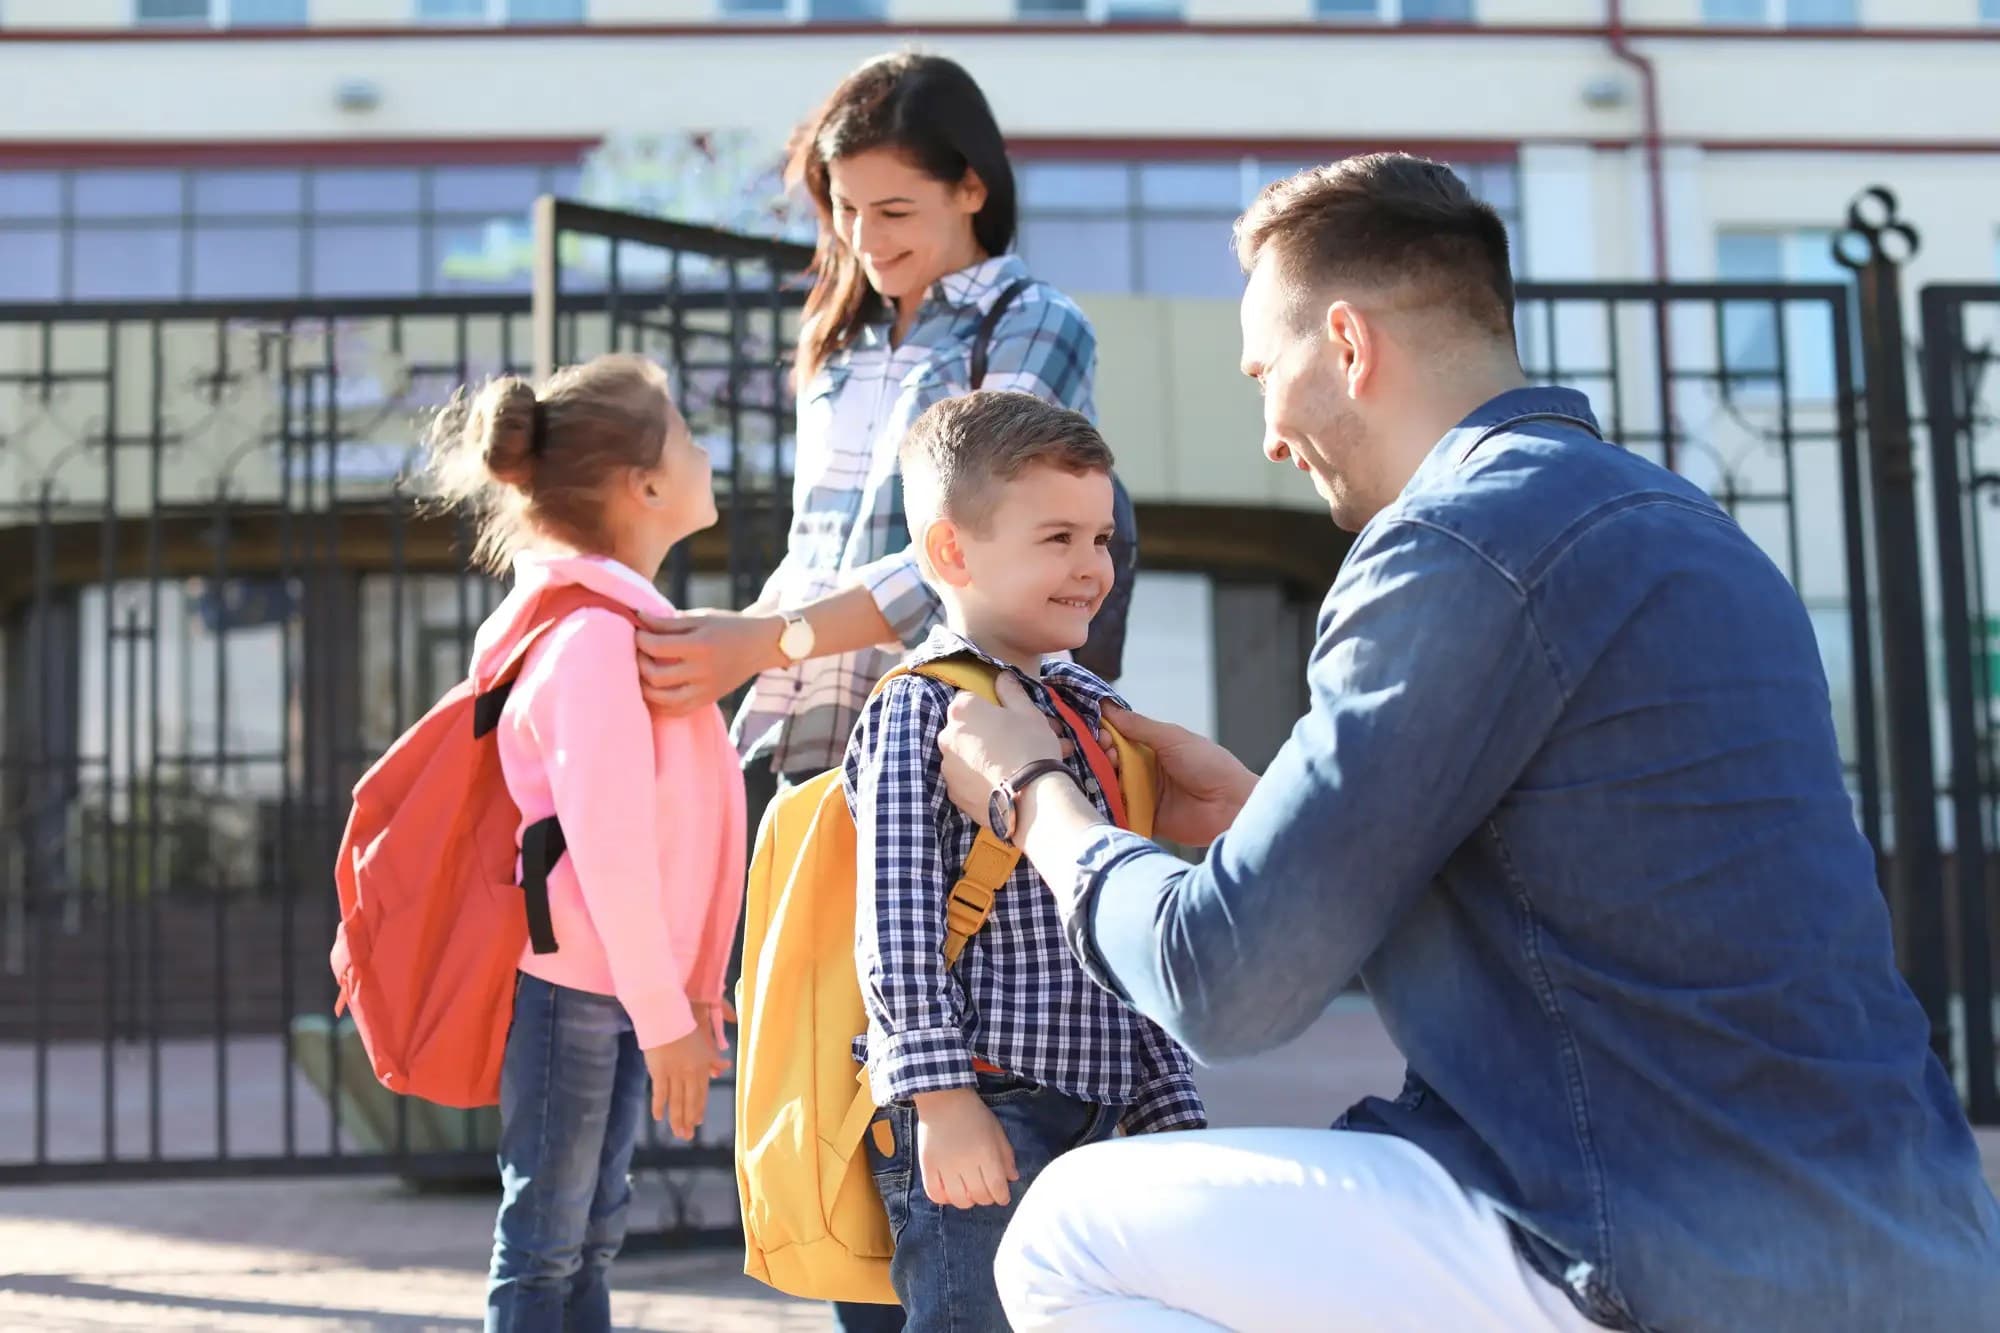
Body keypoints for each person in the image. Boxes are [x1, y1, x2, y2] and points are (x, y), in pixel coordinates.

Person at [929, 154, 2000, 1331]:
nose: (1270, 436)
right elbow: (1619, 865)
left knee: (1068, 1233)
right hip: (1917, 1245)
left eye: (1262, 374)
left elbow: (1223, 982)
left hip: (1640, 1239)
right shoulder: (1693, 531)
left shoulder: (1451, 538)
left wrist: (1035, 799)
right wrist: (1263, 812)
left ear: (1346, 343)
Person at [630, 54, 1108, 1331]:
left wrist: (765, 640)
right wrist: (739, 670)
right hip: (810, 741)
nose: (862, 238)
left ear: (970, 188)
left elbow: (955, 551)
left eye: (893, 210)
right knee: (835, 1079)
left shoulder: (1028, 322)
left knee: (956, 1066)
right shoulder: (837, 340)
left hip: (957, 734)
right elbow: (817, 533)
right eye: (843, 211)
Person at [847, 391, 1204, 1330]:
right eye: (1057, 538)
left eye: (1102, 540)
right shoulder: (916, 708)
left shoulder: (1094, 711)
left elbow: (1121, 903)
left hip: (1099, 1103)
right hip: (984, 1100)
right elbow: (895, 920)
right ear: (951, 551)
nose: (1093, 568)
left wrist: (1164, 1092)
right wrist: (940, 1096)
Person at [423, 355, 747, 1333]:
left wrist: (681, 999)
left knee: (586, 1233)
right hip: (579, 988)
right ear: (643, 486)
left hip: (611, 985)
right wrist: (664, 1015)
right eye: (687, 434)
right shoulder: (595, 642)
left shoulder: (613, 628)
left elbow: (667, 835)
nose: (705, 450)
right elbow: (606, 847)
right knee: (547, 1242)